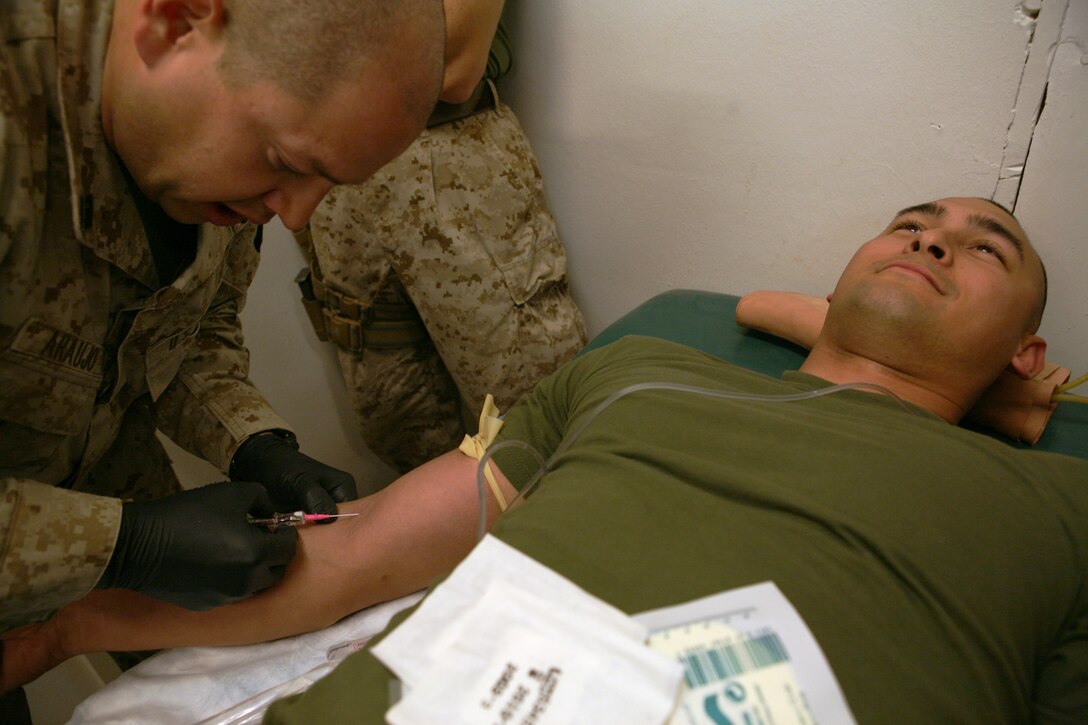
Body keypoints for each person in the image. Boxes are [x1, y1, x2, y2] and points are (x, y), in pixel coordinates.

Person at [2, 198, 1085, 723]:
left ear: (1025, 351)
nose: (929, 239)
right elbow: (369, 546)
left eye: (981, 244)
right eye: (905, 224)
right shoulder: (642, 373)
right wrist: (71, 621)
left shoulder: (1061, 503)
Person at [0, 0, 446, 635]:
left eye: (326, 185)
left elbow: (186, 331)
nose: (292, 216)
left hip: (95, 485)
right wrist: (123, 545)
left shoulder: (216, 179)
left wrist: (253, 443)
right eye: (287, 163)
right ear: (172, 21)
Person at [294, 0, 587, 475]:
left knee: (533, 422)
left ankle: (566, 545)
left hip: (449, 162)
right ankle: (462, 544)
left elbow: (449, 65)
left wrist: (300, 58)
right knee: (395, 420)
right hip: (335, 169)